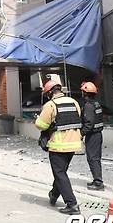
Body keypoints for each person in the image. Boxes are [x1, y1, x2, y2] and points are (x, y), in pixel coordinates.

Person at [35, 80, 82, 215]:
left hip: (58, 145)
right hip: (74, 144)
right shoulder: (74, 102)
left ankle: (72, 204)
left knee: (60, 173)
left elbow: (42, 125)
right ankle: (54, 195)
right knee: (61, 172)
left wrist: (38, 119)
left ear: (50, 93)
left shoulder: (51, 105)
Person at [81, 81, 104, 191]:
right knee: (95, 158)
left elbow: (89, 123)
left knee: (93, 158)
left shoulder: (89, 106)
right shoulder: (96, 104)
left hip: (93, 135)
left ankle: (98, 182)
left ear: (85, 93)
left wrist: (81, 133)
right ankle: (97, 180)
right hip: (97, 134)